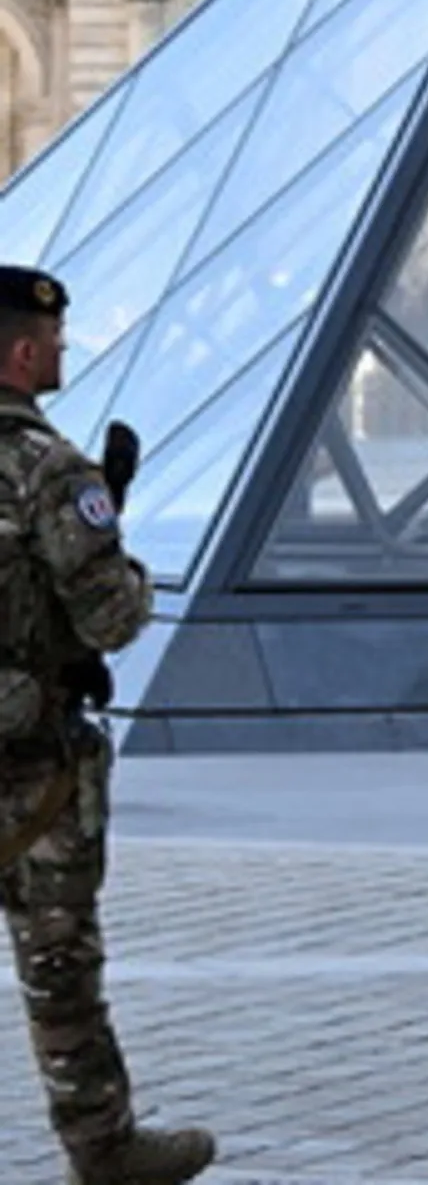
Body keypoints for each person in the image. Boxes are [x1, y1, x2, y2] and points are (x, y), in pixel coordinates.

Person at [0, 266, 217, 1185]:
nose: (62, 349)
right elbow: (109, 620)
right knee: (59, 960)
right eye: (52, 337)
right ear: (20, 350)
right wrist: (121, 559)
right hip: (33, 764)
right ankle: (104, 1148)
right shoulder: (53, 470)